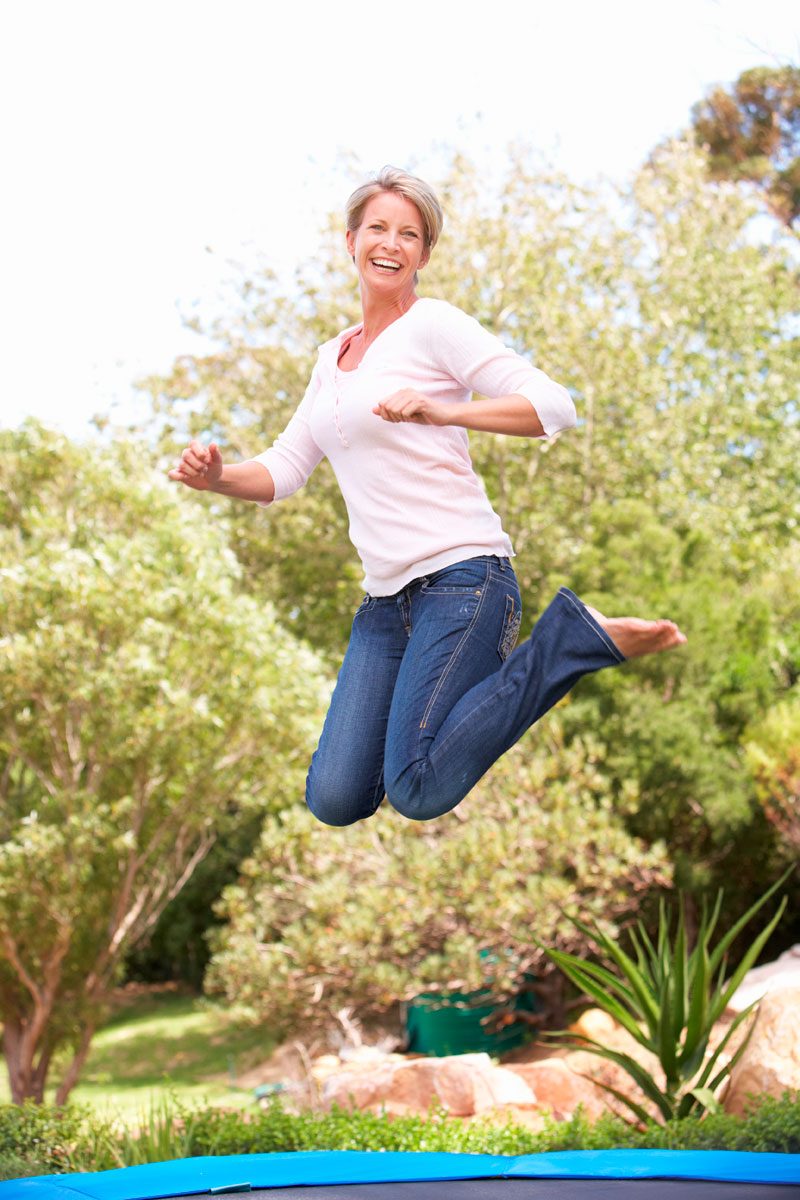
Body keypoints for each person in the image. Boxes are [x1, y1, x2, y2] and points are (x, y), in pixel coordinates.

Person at [169, 166, 686, 827]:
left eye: (409, 234)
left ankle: (568, 643)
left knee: (415, 789)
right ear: (350, 240)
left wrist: (444, 414)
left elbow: (553, 407)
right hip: (385, 605)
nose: (391, 243)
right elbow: (285, 470)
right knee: (334, 799)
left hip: (462, 579)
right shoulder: (332, 359)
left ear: (424, 253)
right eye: (378, 228)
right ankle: (555, 650)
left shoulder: (435, 325)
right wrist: (216, 476)